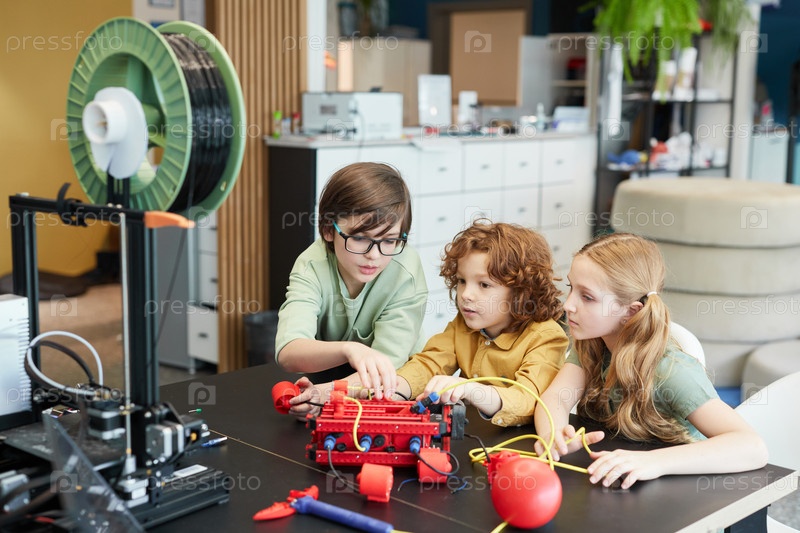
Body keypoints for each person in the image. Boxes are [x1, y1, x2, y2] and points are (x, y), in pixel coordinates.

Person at [533, 232, 768, 489]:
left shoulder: (672, 371)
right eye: (571, 288)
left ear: (631, 311)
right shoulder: (592, 343)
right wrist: (553, 434)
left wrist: (653, 462)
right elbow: (557, 398)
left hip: (687, 493)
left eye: (587, 297)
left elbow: (752, 447)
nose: (568, 305)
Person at [289, 221, 569, 426]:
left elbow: (527, 400)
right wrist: (341, 393)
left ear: (522, 292)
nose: (466, 294)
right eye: (462, 281)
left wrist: (470, 389)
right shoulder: (464, 326)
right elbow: (424, 366)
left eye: (484, 285)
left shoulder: (547, 337)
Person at [275, 162, 428, 398]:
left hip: (395, 385)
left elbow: (383, 370)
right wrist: (350, 350)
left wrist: (323, 395)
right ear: (329, 229)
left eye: (389, 240)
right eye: (359, 238)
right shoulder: (312, 265)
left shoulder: (405, 271)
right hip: (333, 380)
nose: (373, 255)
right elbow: (288, 351)